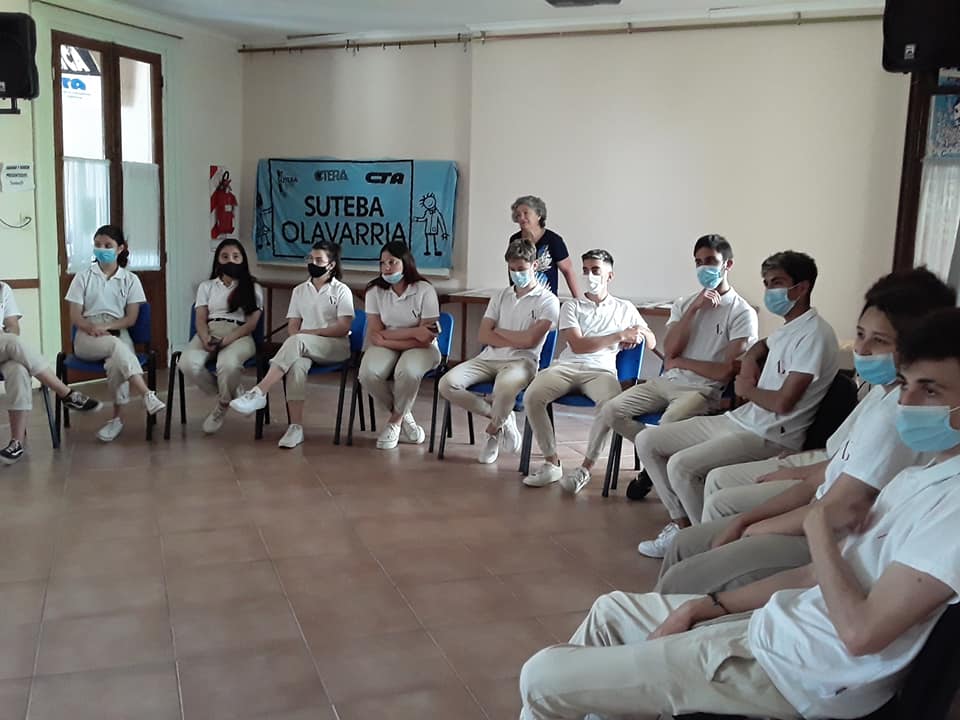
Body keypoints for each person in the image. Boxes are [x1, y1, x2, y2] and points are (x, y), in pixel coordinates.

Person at [519, 307, 960, 720]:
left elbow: (861, 634)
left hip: (795, 675)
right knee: (609, 610)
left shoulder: (951, 511)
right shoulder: (917, 478)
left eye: (931, 390)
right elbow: (814, 575)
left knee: (543, 677)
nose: (906, 402)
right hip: (774, 632)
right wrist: (710, 605)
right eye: (906, 384)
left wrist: (818, 527)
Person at [656, 268, 956, 594]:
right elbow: (833, 473)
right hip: (794, 472)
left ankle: (690, 597)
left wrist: (752, 527)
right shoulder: (880, 394)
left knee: (687, 559)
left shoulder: (898, 415)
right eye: (860, 335)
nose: (862, 349)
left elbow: (837, 506)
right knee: (689, 532)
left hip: (821, 522)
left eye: (880, 341)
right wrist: (753, 516)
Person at [635, 250, 839, 558]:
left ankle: (702, 548)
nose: (770, 290)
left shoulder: (815, 335)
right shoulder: (788, 328)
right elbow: (762, 345)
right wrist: (752, 358)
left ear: (802, 287)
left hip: (770, 434)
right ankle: (684, 527)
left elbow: (784, 403)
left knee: (681, 466)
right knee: (647, 440)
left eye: (778, 283)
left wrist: (747, 388)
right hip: (742, 419)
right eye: (767, 283)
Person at [563, 234, 758, 495]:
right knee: (611, 411)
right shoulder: (685, 304)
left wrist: (681, 362)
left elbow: (724, 371)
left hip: (702, 390)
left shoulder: (742, 312)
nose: (704, 268)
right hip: (667, 382)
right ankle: (657, 457)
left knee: (669, 422)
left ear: (728, 265)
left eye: (711, 261)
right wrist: (694, 309)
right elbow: (670, 352)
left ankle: (653, 466)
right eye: (698, 262)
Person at [523, 249, 656, 488]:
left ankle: (585, 469)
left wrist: (639, 335)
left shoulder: (624, 308)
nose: (590, 276)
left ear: (609, 275)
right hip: (567, 367)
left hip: (601, 371)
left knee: (610, 406)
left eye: (596, 270)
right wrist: (619, 335)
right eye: (586, 271)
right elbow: (578, 345)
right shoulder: (572, 306)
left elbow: (652, 341)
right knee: (533, 395)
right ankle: (552, 463)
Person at [438, 239, 559, 464]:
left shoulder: (548, 301)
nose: (516, 274)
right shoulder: (500, 296)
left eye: (521, 269)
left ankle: (492, 432)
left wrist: (500, 332)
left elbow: (530, 341)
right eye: (512, 269)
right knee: (447, 384)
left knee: (503, 390)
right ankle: (503, 419)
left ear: (534, 265)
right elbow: (484, 336)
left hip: (522, 362)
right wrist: (516, 337)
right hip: (488, 358)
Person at [229, 240, 354, 448]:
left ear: (331, 265)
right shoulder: (299, 291)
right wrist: (302, 337)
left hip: (335, 346)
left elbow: (343, 327)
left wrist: (310, 334)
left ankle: (259, 392)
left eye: (319, 260)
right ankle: (296, 427)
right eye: (310, 259)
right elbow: (293, 327)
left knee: (298, 342)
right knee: (296, 365)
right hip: (304, 346)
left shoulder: (342, 290)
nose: (313, 263)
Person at [65, 225, 165, 442]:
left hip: (118, 329)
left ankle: (116, 420)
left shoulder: (131, 280)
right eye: (97, 245)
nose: (102, 249)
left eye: (108, 245)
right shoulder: (83, 277)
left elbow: (131, 319)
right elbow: (75, 316)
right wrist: (91, 328)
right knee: (116, 346)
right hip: (87, 335)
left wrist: (108, 327)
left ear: (120, 248)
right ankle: (146, 394)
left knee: (115, 362)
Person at [1, 281, 101, 463]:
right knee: (13, 343)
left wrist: (6, 339)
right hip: (6, 345)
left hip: (3, 349)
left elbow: (13, 327)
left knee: (19, 369)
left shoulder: (2, 289)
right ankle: (65, 393)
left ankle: (16, 443)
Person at [358, 241, 441, 450]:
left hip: (422, 348)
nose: (387, 267)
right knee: (368, 374)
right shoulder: (374, 291)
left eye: (392, 262)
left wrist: (390, 338)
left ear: (405, 263)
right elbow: (376, 332)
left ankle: (394, 423)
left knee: (407, 372)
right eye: (382, 263)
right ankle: (405, 416)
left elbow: (426, 337)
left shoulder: (425, 290)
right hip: (388, 345)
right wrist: (412, 332)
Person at [180, 239, 264, 435]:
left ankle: (223, 404)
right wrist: (205, 338)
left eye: (236, 256)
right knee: (187, 363)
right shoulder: (206, 286)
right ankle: (232, 390)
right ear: (218, 260)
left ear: (243, 260)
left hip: (240, 334)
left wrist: (226, 341)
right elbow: (200, 318)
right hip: (211, 330)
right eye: (225, 257)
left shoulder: (253, 287)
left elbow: (251, 324)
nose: (230, 261)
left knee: (227, 365)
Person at [509, 195, 580, 297]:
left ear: (539, 215)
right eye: (518, 215)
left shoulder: (553, 240)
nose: (521, 218)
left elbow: (568, 271)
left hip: (546, 299)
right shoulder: (515, 239)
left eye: (526, 213)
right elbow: (512, 268)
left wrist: (578, 299)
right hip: (520, 298)